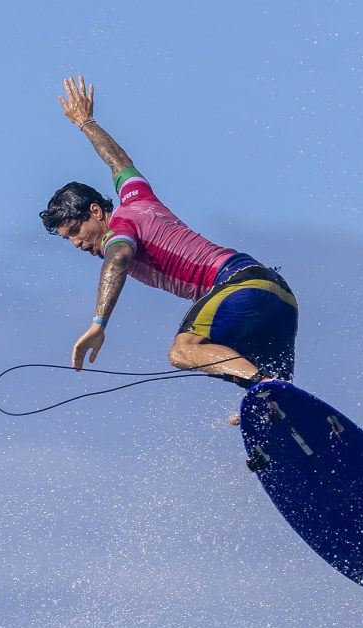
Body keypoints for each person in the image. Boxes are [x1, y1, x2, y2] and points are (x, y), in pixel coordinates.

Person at [42, 76, 298, 404]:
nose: (76, 243)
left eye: (75, 231)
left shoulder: (119, 231)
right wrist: (86, 122)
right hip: (276, 294)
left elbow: (117, 259)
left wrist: (98, 323)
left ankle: (265, 388)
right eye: (68, 239)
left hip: (238, 286)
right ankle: (274, 401)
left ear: (95, 211)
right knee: (273, 404)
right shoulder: (136, 197)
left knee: (184, 350)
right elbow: (118, 162)